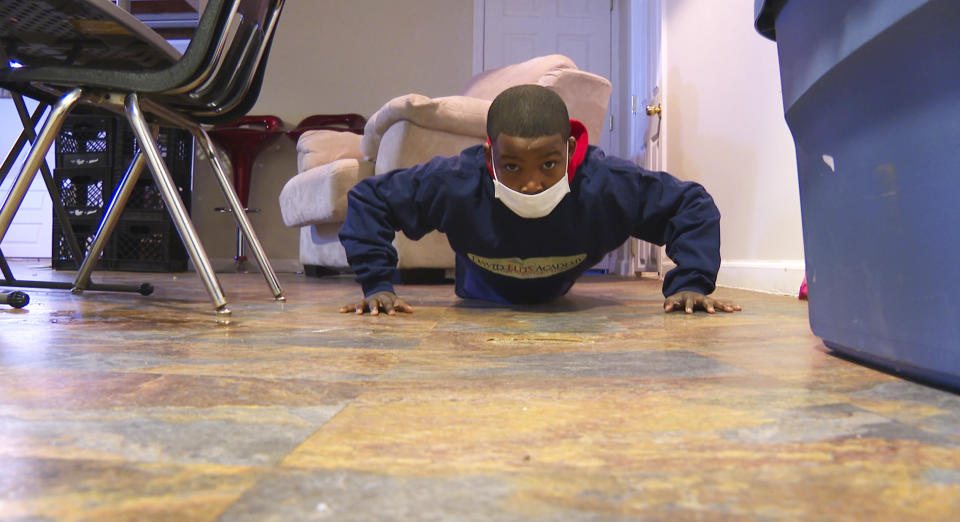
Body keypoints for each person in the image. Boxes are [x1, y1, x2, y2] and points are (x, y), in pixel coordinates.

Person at [338, 84, 741, 316]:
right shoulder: (456, 181)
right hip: (482, 292)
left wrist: (691, 283)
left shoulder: (607, 184)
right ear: (488, 155)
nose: (532, 184)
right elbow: (370, 199)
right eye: (512, 166)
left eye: (549, 164)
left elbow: (691, 204)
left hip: (558, 292)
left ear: (568, 149)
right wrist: (376, 285)